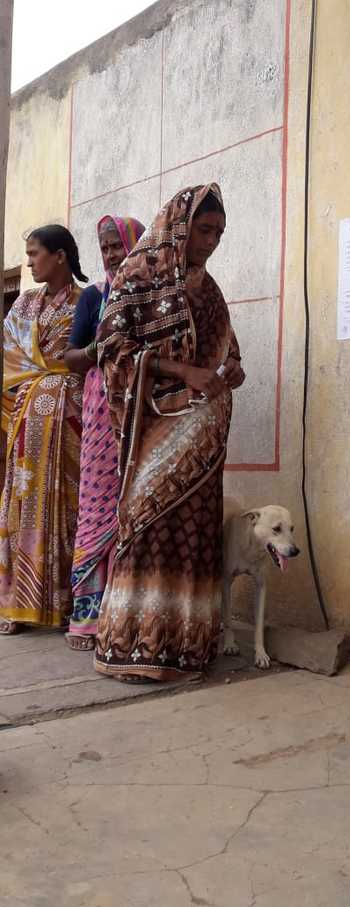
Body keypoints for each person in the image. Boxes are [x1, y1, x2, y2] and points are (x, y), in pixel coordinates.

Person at [94, 184, 244, 682]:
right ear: (180, 226)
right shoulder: (139, 277)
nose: (212, 241)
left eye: (219, 232)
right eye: (205, 230)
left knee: (193, 532)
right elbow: (110, 350)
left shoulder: (210, 287)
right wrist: (182, 372)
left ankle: (186, 647)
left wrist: (232, 369)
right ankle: (134, 645)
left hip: (204, 435)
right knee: (148, 527)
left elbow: (227, 348)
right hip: (156, 430)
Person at [63, 215, 145, 651]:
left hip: (143, 409)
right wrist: (97, 350)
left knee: (134, 505)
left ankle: (126, 613)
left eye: (119, 245)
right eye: (106, 247)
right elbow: (71, 356)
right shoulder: (94, 296)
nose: (113, 254)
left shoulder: (153, 294)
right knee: (97, 504)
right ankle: (89, 617)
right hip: (101, 410)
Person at [0, 226, 88, 634]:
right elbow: (9, 360)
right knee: (22, 506)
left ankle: (66, 603)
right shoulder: (25, 304)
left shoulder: (86, 300)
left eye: (35, 254)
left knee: (67, 506)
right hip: (27, 420)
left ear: (60, 256)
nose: (30, 262)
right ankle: (18, 604)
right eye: (29, 254)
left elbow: (95, 356)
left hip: (70, 418)